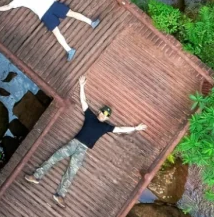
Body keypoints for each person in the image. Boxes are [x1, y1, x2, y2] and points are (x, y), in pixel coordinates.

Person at [26, 74, 146, 203]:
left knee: (72, 172)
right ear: (99, 112)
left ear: (107, 118)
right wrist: (82, 86)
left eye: (106, 115)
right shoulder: (90, 116)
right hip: (74, 143)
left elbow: (121, 129)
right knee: (54, 157)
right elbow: (84, 102)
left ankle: (59, 195)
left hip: (83, 150)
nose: (103, 115)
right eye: (103, 112)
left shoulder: (106, 127)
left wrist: (135, 128)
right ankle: (36, 176)